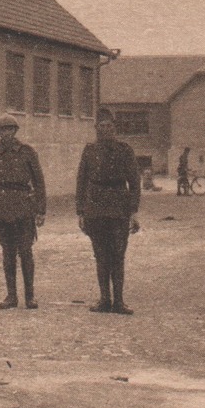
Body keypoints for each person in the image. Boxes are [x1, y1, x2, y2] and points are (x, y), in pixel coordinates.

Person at [76, 107, 141, 315]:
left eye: (109, 126)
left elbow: (134, 182)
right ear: (96, 128)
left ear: (115, 128)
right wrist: (81, 211)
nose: (105, 130)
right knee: (101, 255)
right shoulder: (89, 151)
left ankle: (119, 302)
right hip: (95, 209)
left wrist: (133, 211)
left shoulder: (125, 150)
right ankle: (105, 299)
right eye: (101, 126)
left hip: (119, 208)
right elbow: (81, 181)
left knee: (118, 255)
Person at [0, 114, 46, 309]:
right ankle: (11, 296)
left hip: (24, 207)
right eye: (2, 130)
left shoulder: (27, 152)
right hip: (1, 207)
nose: (6, 133)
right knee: (7, 253)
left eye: (9, 129)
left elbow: (39, 181)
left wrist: (40, 210)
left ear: (15, 131)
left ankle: (30, 296)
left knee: (26, 251)